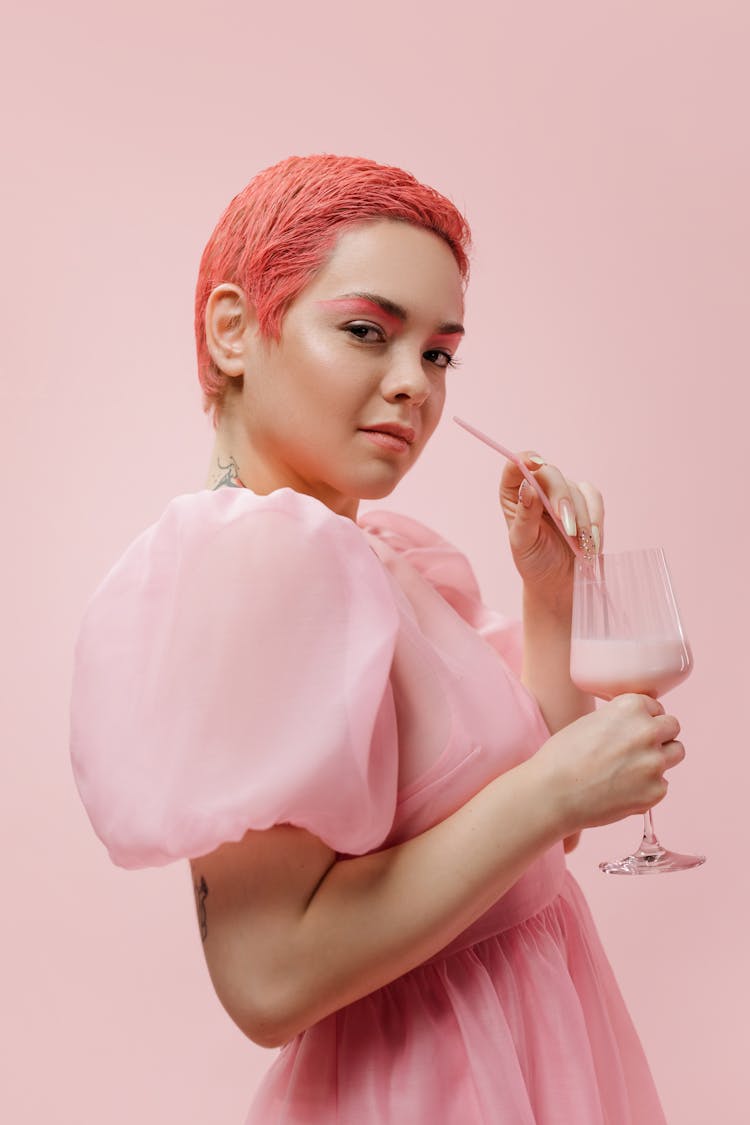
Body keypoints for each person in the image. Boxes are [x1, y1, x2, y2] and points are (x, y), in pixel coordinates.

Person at [69, 154, 682, 1123]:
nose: (415, 386)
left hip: (531, 1061)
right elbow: (267, 983)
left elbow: (542, 843)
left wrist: (550, 594)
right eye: (368, 332)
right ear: (234, 330)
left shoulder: (383, 555)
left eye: (439, 354)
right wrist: (554, 787)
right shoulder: (254, 567)